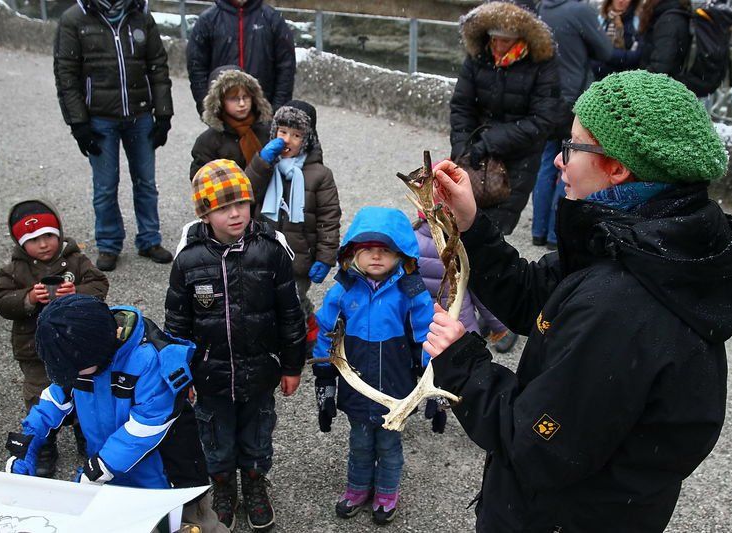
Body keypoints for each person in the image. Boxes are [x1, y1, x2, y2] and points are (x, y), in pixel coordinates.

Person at [424, 70, 732, 532]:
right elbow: (534, 298)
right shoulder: (644, 239)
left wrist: (461, 362)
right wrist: (471, 225)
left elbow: (537, 446)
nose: (559, 160)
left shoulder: (621, 304)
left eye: (572, 146)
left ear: (616, 168)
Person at [165, 159, 306, 531]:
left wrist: (292, 365)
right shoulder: (188, 259)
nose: (235, 214)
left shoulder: (270, 250)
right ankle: (224, 488)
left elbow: (291, 312)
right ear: (204, 214)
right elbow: (176, 324)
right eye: (223, 207)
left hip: (260, 371)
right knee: (215, 439)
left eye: (241, 203)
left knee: (258, 436)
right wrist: (181, 375)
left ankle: (255, 485)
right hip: (210, 376)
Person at [311, 206, 435, 525]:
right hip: (356, 388)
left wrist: (433, 388)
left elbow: (427, 337)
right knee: (360, 443)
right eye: (367, 249)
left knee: (390, 445)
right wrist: (324, 383)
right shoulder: (343, 291)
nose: (376, 256)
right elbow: (325, 333)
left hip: (396, 391)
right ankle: (357, 489)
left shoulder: (411, 293)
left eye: (385, 250)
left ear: (401, 254)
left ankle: (387, 492)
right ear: (353, 252)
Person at [4, 294, 193, 489]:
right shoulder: (78, 356)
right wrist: (27, 443)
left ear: (98, 353)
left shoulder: (151, 361)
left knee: (175, 507)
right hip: (109, 464)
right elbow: (53, 401)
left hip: (159, 470)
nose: (73, 375)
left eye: (75, 370)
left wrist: (101, 467)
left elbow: (148, 424)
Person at [53, 0, 174, 272]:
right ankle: (109, 244)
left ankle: (150, 239)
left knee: (146, 182)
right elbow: (66, 74)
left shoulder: (140, 13)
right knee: (105, 186)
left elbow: (157, 65)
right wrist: (78, 124)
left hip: (140, 115)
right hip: (99, 118)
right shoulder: (75, 18)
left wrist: (164, 114)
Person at [0, 200, 109, 478]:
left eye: (48, 236)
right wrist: (28, 298)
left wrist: (77, 291)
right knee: (38, 393)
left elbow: (100, 284)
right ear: (21, 243)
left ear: (59, 233)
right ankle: (44, 443)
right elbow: (0, 300)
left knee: (83, 388)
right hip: (34, 349)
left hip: (76, 345)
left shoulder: (75, 260)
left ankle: (85, 432)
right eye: (33, 240)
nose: (43, 244)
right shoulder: (15, 269)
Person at [449, 1, 560, 236]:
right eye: (494, 39)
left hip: (518, 158)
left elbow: (542, 120)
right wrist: (462, 146)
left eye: (506, 41)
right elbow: (462, 105)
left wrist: (490, 142)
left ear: (522, 38)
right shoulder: (479, 56)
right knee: (460, 224)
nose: (498, 47)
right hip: (473, 152)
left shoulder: (541, 64)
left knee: (493, 230)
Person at [245, 100, 341, 356]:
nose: (287, 140)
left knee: (291, 300)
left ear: (307, 140)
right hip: (263, 249)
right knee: (265, 297)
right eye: (283, 132)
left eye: (296, 135)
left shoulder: (320, 174)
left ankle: (298, 339)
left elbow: (329, 218)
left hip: (299, 256)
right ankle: (296, 327)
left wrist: (325, 257)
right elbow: (246, 193)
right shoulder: (266, 164)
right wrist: (261, 162)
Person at [532, 0, 614, 250]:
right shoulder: (580, 10)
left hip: (547, 97)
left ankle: (538, 231)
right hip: (572, 100)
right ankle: (556, 233)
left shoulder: (544, 7)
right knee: (571, 162)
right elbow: (606, 51)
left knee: (547, 163)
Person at [413, 213, 516, 355]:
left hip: (424, 324)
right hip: (459, 322)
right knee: (465, 359)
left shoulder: (409, 239)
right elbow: (480, 293)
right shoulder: (459, 247)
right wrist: (499, 326)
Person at [187, 0, 296, 114]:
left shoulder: (272, 19)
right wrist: (208, 108)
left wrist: (278, 107)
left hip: (264, 109)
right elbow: (196, 67)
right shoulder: (208, 20)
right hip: (223, 111)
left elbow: (286, 66)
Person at [190, 66, 273, 181]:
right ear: (219, 101)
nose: (242, 104)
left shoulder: (266, 131)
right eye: (233, 98)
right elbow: (200, 180)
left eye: (246, 97)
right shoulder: (209, 141)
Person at [638, 0, 692, 77]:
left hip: (658, 81)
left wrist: (638, 80)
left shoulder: (669, 21)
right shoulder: (669, 13)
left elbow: (660, 67)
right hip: (663, 78)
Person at [591, 0, 642, 81]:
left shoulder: (637, 21)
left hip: (627, 78)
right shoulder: (601, 19)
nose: (621, 1)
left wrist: (608, 54)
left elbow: (637, 56)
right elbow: (592, 50)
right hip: (599, 77)